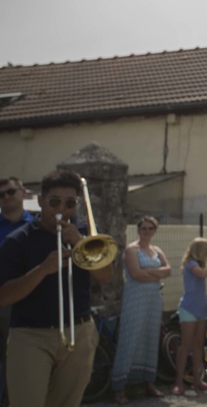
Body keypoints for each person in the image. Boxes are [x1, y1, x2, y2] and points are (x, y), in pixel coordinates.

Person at [0, 169, 114, 407]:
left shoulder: (84, 236)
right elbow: (4, 296)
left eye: (70, 203)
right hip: (31, 336)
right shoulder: (18, 240)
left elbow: (106, 275)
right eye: (54, 202)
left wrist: (78, 243)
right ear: (41, 201)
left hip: (79, 332)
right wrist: (42, 270)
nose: (62, 209)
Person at [111, 216, 171, 404]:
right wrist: (156, 274)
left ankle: (149, 383)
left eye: (150, 228)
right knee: (130, 338)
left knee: (150, 337)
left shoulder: (156, 250)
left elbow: (168, 270)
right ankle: (119, 387)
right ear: (138, 230)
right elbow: (135, 274)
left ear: (155, 230)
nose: (146, 231)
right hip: (135, 299)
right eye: (143, 228)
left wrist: (149, 273)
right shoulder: (131, 249)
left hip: (153, 299)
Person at [0, 176, 34, 404]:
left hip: (29, 300)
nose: (6, 198)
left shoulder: (38, 225)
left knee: (24, 361)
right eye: (1, 195)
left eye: (10, 192)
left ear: (22, 192)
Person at [172, 237, 207, 395]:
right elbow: (202, 274)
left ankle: (197, 380)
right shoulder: (191, 264)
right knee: (186, 345)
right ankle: (178, 382)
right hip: (189, 308)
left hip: (201, 308)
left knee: (198, 346)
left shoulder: (202, 265)